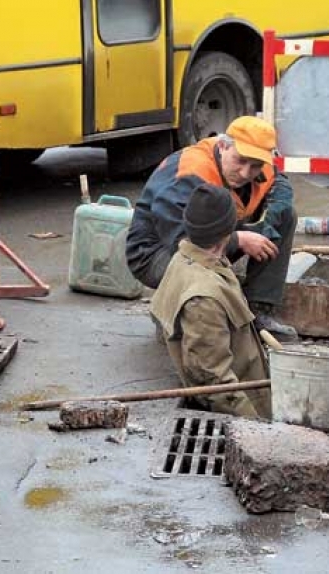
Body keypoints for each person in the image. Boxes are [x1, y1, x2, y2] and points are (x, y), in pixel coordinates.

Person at [126, 115, 297, 337]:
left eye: (255, 166)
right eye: (240, 161)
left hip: (212, 239)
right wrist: (240, 240)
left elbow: (278, 181)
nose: (246, 173)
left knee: (286, 215)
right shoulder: (190, 173)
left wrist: (274, 213)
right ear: (223, 146)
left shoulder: (255, 164)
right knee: (201, 266)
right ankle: (170, 314)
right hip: (159, 253)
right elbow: (186, 241)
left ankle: (258, 310)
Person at [150, 184, 271, 419]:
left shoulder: (186, 259)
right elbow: (214, 380)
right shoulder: (203, 298)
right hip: (245, 407)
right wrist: (257, 426)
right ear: (228, 231)